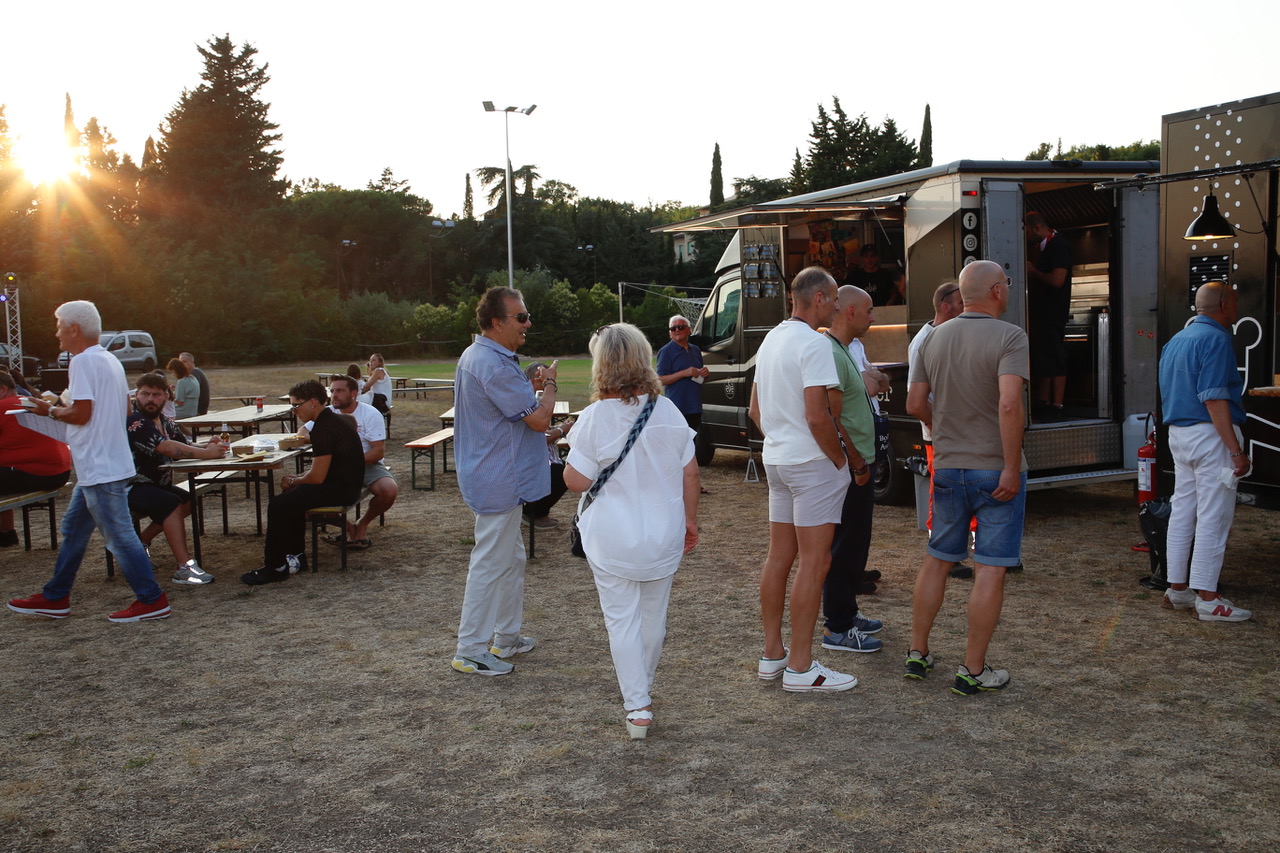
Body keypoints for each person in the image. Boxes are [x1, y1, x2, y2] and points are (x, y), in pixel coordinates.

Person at [564, 323, 699, 739]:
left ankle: (637, 705)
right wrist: (690, 521)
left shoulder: (593, 418)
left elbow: (577, 481)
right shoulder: (668, 410)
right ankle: (643, 688)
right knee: (653, 618)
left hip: (612, 538)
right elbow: (690, 473)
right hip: (664, 532)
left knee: (621, 619)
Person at [905, 260, 1028, 695]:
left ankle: (918, 652)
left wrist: (942, 430)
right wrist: (1011, 466)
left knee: (938, 557)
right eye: (1006, 284)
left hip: (948, 463)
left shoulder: (933, 338)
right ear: (996, 290)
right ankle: (972, 668)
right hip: (994, 467)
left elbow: (914, 402)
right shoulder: (1011, 336)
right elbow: (1010, 405)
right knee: (990, 569)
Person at [7, 300, 172, 622]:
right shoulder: (110, 360)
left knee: (121, 536)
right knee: (74, 529)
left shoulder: (82, 362)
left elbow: (81, 414)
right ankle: (56, 596)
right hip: (103, 463)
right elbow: (122, 411)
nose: (56, 334)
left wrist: (48, 411)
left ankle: (152, 599)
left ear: (74, 329)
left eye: (58, 327)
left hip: (99, 466)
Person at [749, 266, 856, 693]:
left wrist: (782, 439)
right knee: (816, 561)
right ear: (818, 299)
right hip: (810, 464)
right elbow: (819, 414)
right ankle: (801, 666)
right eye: (832, 300)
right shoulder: (814, 343)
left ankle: (773, 655)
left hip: (777, 459)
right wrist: (838, 459)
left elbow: (756, 412)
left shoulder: (772, 337)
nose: (835, 307)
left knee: (780, 557)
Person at [451, 287, 561, 676]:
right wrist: (549, 385)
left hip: (493, 472)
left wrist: (532, 389)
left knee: (511, 559)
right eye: (521, 317)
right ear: (497, 323)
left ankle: (507, 637)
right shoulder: (493, 363)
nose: (528, 323)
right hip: (497, 476)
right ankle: (470, 649)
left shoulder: (481, 355)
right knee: (490, 563)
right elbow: (538, 420)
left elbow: (508, 408)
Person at [1158, 281, 1252, 622]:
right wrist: (1236, 450)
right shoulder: (1217, 339)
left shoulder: (1176, 340)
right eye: (1236, 301)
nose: (1238, 307)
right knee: (1215, 514)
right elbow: (1213, 397)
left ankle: (1178, 587)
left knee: (1183, 510)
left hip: (1179, 434)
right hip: (1210, 435)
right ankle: (1209, 598)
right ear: (1225, 305)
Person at [240, 379, 364, 585]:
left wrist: (296, 481)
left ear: (313, 402)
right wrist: (298, 481)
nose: (294, 410)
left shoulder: (323, 428)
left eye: (296, 405)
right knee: (291, 500)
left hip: (341, 489)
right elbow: (322, 469)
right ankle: (298, 556)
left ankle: (275, 567)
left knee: (278, 505)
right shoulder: (334, 420)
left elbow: (317, 477)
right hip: (346, 485)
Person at [821, 285, 883, 654]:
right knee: (845, 546)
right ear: (850, 312)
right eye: (869, 310)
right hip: (851, 467)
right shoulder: (830, 352)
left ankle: (846, 611)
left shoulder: (843, 350)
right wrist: (855, 462)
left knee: (855, 544)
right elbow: (831, 415)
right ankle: (837, 628)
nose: (873, 317)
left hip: (859, 463)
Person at [126, 372, 226, 585]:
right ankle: (184, 567)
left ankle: (141, 542)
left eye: (156, 394)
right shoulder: (135, 421)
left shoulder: (165, 421)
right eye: (145, 394)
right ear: (136, 395)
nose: (150, 399)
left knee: (188, 500)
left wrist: (208, 446)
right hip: (129, 488)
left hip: (155, 486)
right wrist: (207, 454)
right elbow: (167, 448)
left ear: (166, 397)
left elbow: (185, 446)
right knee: (170, 503)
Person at [907, 282, 974, 578]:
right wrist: (938, 426)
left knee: (970, 488)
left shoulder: (959, 333)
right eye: (961, 302)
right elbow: (917, 399)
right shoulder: (923, 341)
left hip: (964, 430)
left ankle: (977, 548)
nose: (966, 307)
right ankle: (945, 552)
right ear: (946, 306)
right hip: (941, 433)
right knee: (943, 490)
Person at [302, 374, 398, 548]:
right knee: (300, 494)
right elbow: (302, 432)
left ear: (354, 393)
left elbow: (377, 451)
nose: (334, 395)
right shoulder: (327, 413)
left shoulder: (369, 413)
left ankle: (362, 524)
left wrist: (349, 462)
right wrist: (319, 439)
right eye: (332, 391)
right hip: (332, 467)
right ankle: (349, 529)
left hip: (365, 464)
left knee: (389, 490)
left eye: (340, 391)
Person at [0, 370, 71, 548]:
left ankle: (6, 533)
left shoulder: (3, 406)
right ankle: (7, 533)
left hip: (38, 472)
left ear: (2, 389)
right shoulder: (32, 401)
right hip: (60, 472)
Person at [1025, 211, 1072, 418]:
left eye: (1026, 231)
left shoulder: (1058, 246)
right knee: (1043, 355)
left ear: (1036, 228)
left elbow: (1057, 280)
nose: (1025, 236)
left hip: (1053, 312)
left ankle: (1057, 404)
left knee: (1055, 355)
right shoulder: (1041, 248)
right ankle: (1043, 400)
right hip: (1040, 312)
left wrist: (1032, 271)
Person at [521, 361, 573, 531]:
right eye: (541, 379)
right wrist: (561, 430)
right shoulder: (525, 400)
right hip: (531, 461)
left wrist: (558, 429)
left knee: (564, 469)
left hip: (538, 458)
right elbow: (536, 438)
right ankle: (533, 513)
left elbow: (539, 431)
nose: (544, 384)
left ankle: (537, 511)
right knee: (561, 473)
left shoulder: (534, 399)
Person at [656, 314, 709, 432]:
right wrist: (684, 373)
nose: (676, 330)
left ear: (689, 330)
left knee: (692, 442)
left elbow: (698, 378)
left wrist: (704, 374)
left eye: (680, 327)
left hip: (695, 407)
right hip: (677, 407)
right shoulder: (666, 352)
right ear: (670, 333)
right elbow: (659, 380)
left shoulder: (695, 350)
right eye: (673, 329)